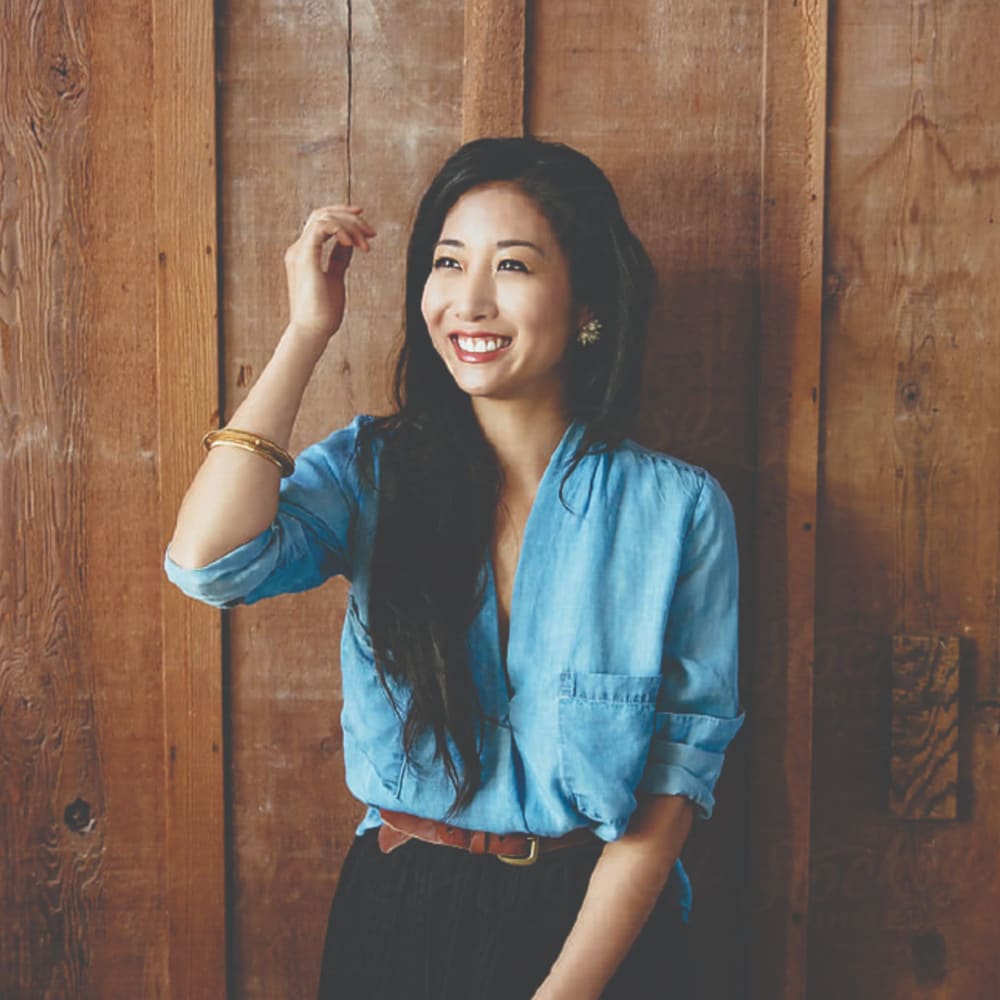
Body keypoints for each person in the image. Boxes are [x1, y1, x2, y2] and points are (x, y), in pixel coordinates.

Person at [164, 136, 746, 999]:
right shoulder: (373, 471)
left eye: (511, 265)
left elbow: (672, 786)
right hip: (399, 918)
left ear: (586, 297)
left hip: (598, 933)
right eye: (447, 262)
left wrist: (565, 992)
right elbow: (208, 562)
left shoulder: (680, 512)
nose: (469, 302)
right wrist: (306, 331)